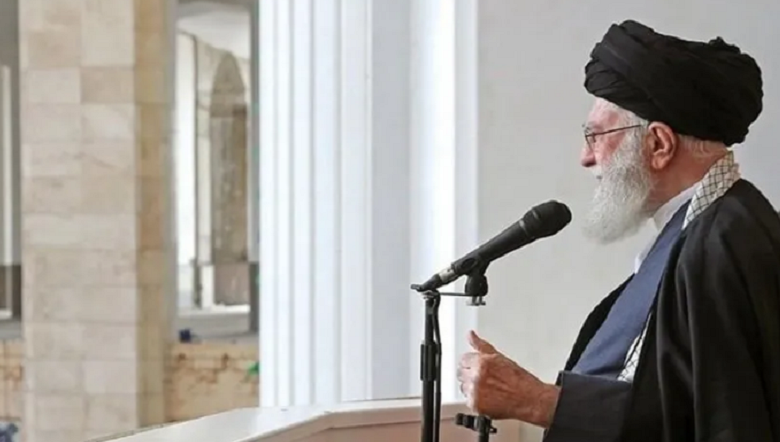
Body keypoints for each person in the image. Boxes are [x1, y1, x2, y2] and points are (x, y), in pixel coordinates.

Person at [457, 19, 780, 442]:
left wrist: (537, 401)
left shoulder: (724, 241)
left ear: (659, 144)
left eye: (595, 136)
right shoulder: (701, 226)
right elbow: (671, 397)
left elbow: (719, 421)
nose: (585, 157)